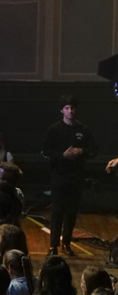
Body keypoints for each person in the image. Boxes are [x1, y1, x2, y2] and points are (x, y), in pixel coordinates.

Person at [42, 94, 97, 256]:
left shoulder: (84, 130)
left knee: (72, 212)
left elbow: (94, 150)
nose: (70, 111)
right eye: (67, 108)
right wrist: (62, 156)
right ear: (62, 110)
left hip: (77, 177)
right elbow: (44, 151)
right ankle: (53, 246)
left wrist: (82, 151)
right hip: (59, 176)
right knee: (57, 211)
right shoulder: (54, 129)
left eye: (72, 108)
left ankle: (67, 243)